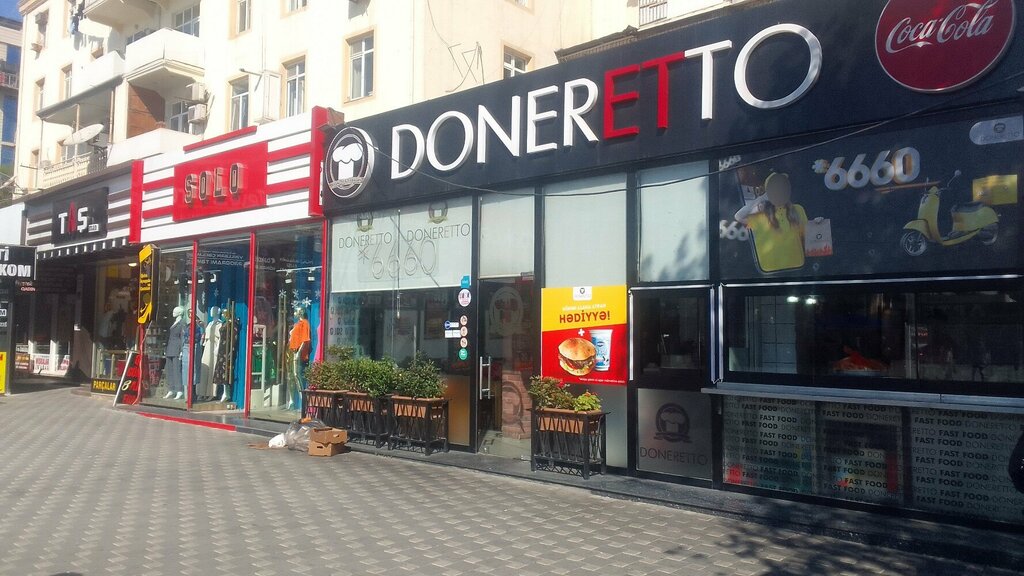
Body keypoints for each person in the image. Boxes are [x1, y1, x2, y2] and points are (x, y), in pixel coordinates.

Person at [734, 172, 809, 273]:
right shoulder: (760, 215)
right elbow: (738, 216)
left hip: (796, 269)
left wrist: (818, 224)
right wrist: (763, 198)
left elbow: (807, 237)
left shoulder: (798, 209)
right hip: (769, 272)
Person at [287, 307, 311, 410]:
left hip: (297, 352)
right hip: (292, 351)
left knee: (297, 375)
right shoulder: (298, 324)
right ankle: (292, 401)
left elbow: (305, 340)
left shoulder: (304, 323)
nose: (295, 313)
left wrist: (298, 353)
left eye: (297, 311)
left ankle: (303, 402)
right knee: (291, 376)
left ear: (301, 312)